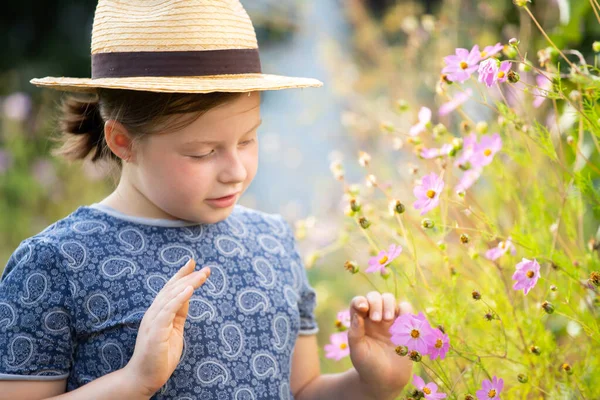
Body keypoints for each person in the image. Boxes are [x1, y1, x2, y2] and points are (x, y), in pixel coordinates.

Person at [0, 1, 412, 399]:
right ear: (122, 141)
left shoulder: (272, 241)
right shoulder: (56, 262)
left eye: (248, 140)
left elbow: (300, 390)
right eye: (202, 152)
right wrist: (134, 382)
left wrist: (374, 386)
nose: (237, 170)